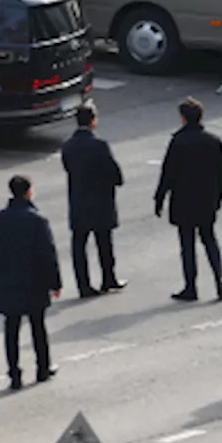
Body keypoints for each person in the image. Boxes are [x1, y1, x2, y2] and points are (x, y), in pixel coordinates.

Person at [155, 97, 222, 302]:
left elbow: (167, 174)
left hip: (184, 201)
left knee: (187, 245)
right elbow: (221, 174)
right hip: (206, 200)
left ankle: (191, 286)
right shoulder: (214, 142)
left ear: (183, 118)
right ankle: (220, 280)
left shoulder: (178, 142)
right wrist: (218, 199)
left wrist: (159, 198)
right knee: (210, 240)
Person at [0, 175, 61, 390]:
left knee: (11, 328)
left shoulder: (1, 219)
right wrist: (55, 283)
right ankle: (42, 368)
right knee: (38, 326)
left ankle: (14, 373)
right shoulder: (37, 220)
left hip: (7, 282)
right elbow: (47, 254)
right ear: (28, 192)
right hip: (34, 282)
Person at [61, 103, 126, 299]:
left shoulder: (68, 146)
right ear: (93, 120)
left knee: (79, 244)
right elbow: (114, 173)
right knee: (104, 242)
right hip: (100, 200)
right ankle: (108, 278)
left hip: (79, 200)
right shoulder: (99, 146)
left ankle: (84, 285)